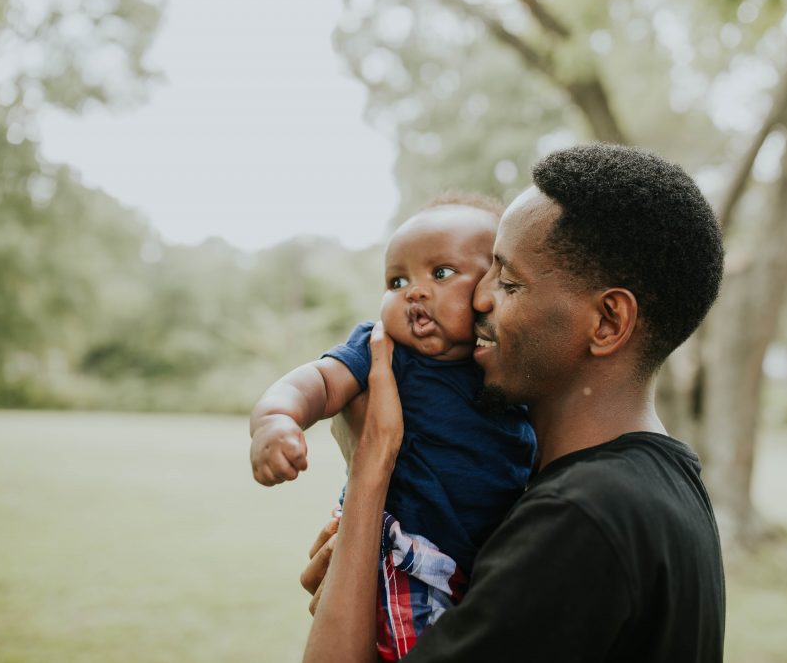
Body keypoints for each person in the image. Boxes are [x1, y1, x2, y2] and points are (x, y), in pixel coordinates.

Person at [301, 143, 727, 662]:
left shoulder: (577, 520)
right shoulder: (660, 480)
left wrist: (373, 464)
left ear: (608, 322)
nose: (478, 299)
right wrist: (363, 572)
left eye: (507, 281)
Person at [248, 193, 536, 660]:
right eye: (396, 280)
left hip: (480, 565)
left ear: (492, 288)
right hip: (404, 551)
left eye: (440, 273)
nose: (414, 292)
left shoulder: (508, 371)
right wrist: (276, 419)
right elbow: (317, 381)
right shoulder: (384, 350)